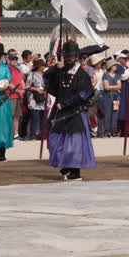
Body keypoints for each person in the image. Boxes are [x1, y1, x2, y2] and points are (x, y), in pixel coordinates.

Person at [42, 41, 97, 181]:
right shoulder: (62, 72)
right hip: (61, 111)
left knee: (74, 144)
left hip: (75, 112)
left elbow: (85, 93)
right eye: (66, 56)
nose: (68, 59)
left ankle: (75, 171)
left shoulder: (82, 74)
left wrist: (66, 103)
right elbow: (47, 78)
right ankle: (65, 165)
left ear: (76, 57)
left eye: (71, 56)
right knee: (56, 141)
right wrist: (55, 68)